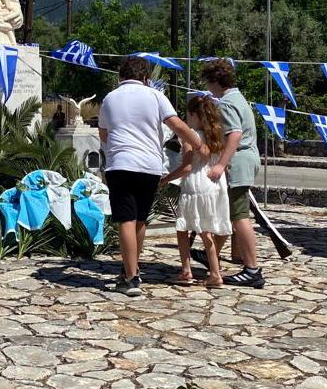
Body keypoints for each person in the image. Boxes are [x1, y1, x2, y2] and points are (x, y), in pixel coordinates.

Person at [98, 57, 203, 297]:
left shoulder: (110, 98)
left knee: (125, 218)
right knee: (140, 220)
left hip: (121, 163)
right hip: (149, 165)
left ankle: (130, 276)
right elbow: (176, 124)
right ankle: (133, 268)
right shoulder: (155, 96)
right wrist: (198, 143)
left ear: (120, 76)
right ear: (147, 78)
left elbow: (103, 133)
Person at [198, 58, 264, 289]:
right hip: (248, 157)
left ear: (215, 81)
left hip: (239, 161)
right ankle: (211, 254)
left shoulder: (226, 103)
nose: (206, 86)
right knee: (227, 212)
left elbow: (234, 134)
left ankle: (252, 269)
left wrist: (220, 165)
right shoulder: (238, 97)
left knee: (239, 216)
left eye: (207, 81)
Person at [160, 94, 231, 289]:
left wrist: (165, 179)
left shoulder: (190, 136)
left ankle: (188, 270)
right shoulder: (216, 134)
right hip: (216, 184)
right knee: (207, 229)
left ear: (192, 114)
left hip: (196, 184)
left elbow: (187, 167)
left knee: (184, 229)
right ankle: (214, 271)